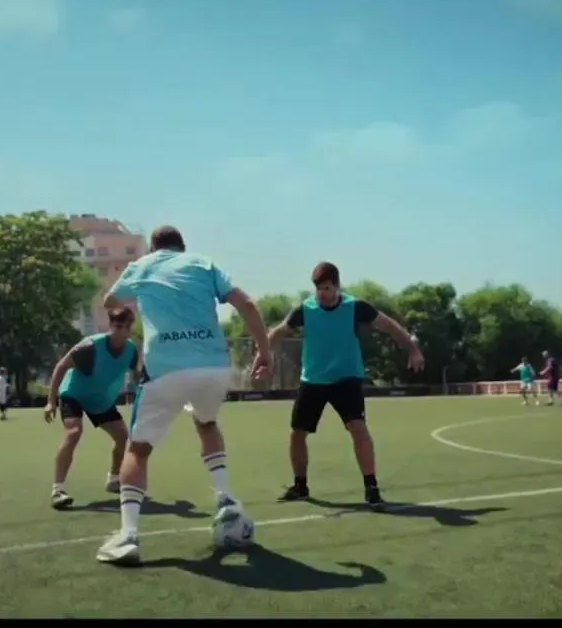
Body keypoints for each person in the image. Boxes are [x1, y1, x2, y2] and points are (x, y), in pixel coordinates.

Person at [94, 225, 271, 565]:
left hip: (165, 370)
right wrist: (264, 351)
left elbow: (109, 301)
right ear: (182, 247)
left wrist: (141, 298)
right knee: (207, 423)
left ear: (153, 248)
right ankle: (226, 500)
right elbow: (247, 304)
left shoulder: (141, 266)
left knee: (138, 449)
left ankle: (128, 535)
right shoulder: (203, 263)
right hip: (213, 368)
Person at [268, 261, 424, 511]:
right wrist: (262, 356)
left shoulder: (356, 307)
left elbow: (389, 327)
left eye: (327, 288)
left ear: (337, 286)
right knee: (297, 433)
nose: (323, 294)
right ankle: (300, 485)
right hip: (313, 380)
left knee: (358, 428)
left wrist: (412, 349)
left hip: (346, 379)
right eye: (319, 289)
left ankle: (371, 488)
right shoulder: (305, 310)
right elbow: (278, 332)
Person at [43, 307, 141, 510]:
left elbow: (137, 375)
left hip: (100, 399)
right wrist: (51, 401)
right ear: (110, 325)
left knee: (122, 437)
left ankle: (114, 479)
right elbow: (61, 366)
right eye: (117, 326)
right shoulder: (90, 346)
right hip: (74, 393)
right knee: (74, 432)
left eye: (125, 327)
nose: (121, 331)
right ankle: (58, 490)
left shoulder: (131, 350)